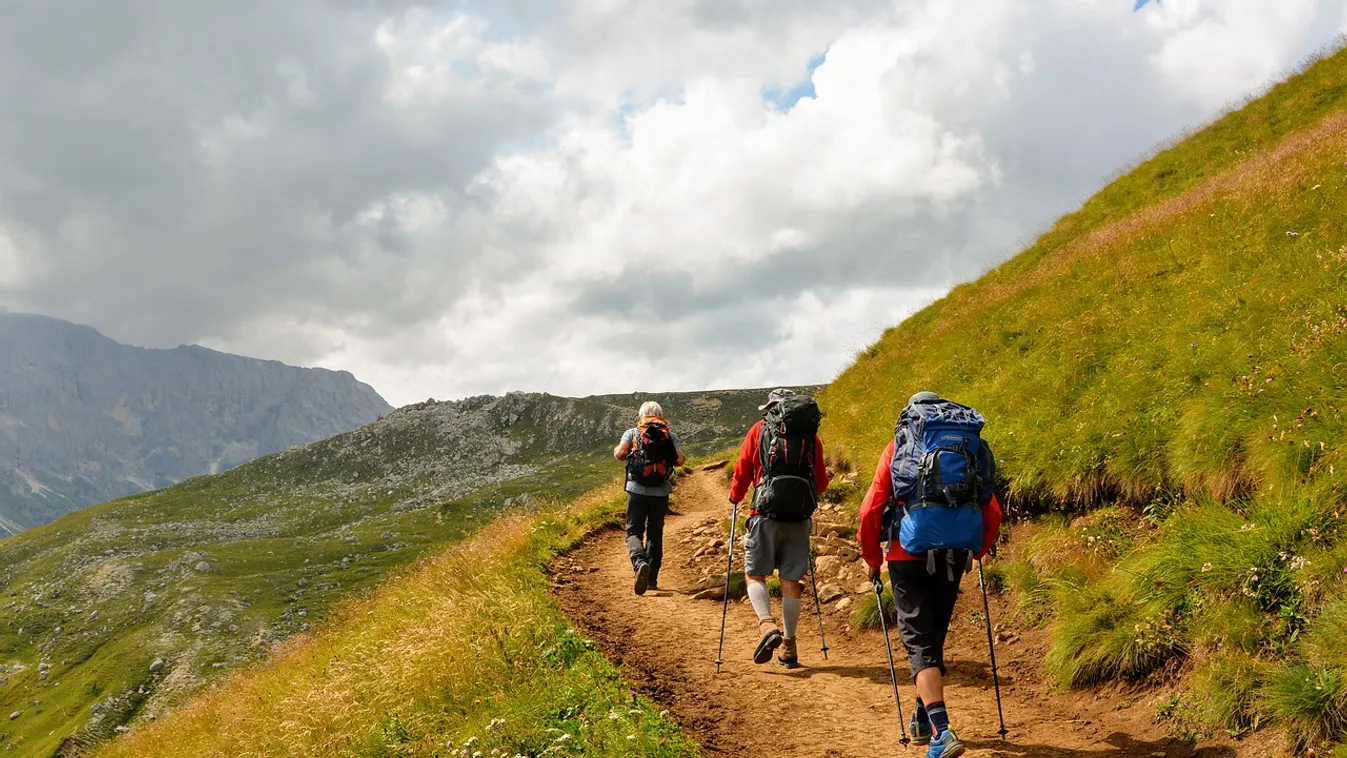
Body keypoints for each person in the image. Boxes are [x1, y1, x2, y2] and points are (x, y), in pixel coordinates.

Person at [858, 391, 1003, 758]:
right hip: (955, 552)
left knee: (920, 642)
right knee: (933, 637)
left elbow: (872, 507)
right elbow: (992, 509)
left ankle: (940, 730)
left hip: (907, 554)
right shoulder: (971, 446)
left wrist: (872, 556)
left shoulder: (900, 446)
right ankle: (923, 719)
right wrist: (978, 549)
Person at [728, 388, 830, 668]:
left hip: (764, 513)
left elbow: (742, 469)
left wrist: (735, 496)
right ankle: (789, 645)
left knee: (754, 574)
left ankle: (766, 625)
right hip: (798, 517)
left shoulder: (760, 429)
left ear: (771, 408)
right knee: (790, 582)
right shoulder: (811, 437)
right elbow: (820, 483)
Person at [614, 401, 686, 595]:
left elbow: (620, 454)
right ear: (660, 415)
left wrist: (627, 452)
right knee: (655, 534)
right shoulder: (669, 435)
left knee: (633, 532)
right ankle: (652, 580)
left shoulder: (632, 433)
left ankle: (639, 564)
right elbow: (680, 460)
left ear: (641, 416)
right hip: (661, 492)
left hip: (636, 490)